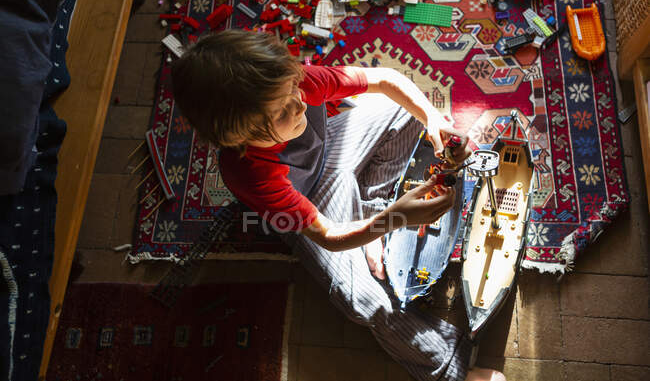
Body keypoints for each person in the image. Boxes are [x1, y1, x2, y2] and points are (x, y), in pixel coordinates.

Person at [171, 29, 506, 381]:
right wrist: (392, 221)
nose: (300, 103)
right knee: (362, 300)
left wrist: (431, 118)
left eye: (294, 89)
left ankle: (371, 211)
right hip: (311, 207)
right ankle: (449, 366)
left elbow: (385, 78)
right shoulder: (251, 174)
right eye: (283, 110)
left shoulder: (294, 85)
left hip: (335, 147)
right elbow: (328, 235)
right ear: (241, 137)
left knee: (402, 107)